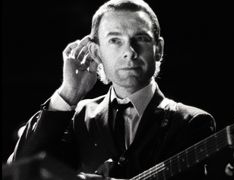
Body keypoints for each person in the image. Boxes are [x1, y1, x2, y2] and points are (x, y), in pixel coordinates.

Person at [7, 0, 216, 179]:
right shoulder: (78, 117)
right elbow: (23, 171)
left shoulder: (192, 122)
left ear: (158, 49)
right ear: (96, 53)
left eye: (141, 39)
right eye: (115, 40)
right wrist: (68, 93)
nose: (129, 52)